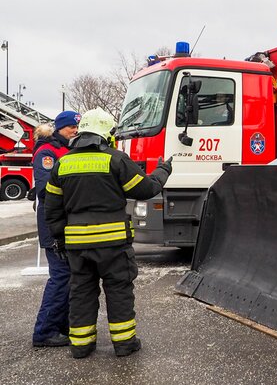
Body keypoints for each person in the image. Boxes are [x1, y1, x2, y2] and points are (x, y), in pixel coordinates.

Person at [44, 108, 172, 358]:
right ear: (105, 133)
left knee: (81, 292)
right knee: (119, 291)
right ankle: (124, 344)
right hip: (113, 245)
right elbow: (146, 189)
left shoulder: (63, 163)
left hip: (78, 246)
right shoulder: (115, 159)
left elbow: (52, 207)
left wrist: (60, 238)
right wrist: (163, 170)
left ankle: (81, 346)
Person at [31, 111, 80, 348]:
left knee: (68, 277)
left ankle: (60, 326)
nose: (75, 131)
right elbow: (44, 189)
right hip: (53, 225)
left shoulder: (67, 151)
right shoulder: (47, 152)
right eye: (71, 126)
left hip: (66, 224)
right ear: (60, 128)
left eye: (77, 127)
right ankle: (44, 331)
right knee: (61, 277)